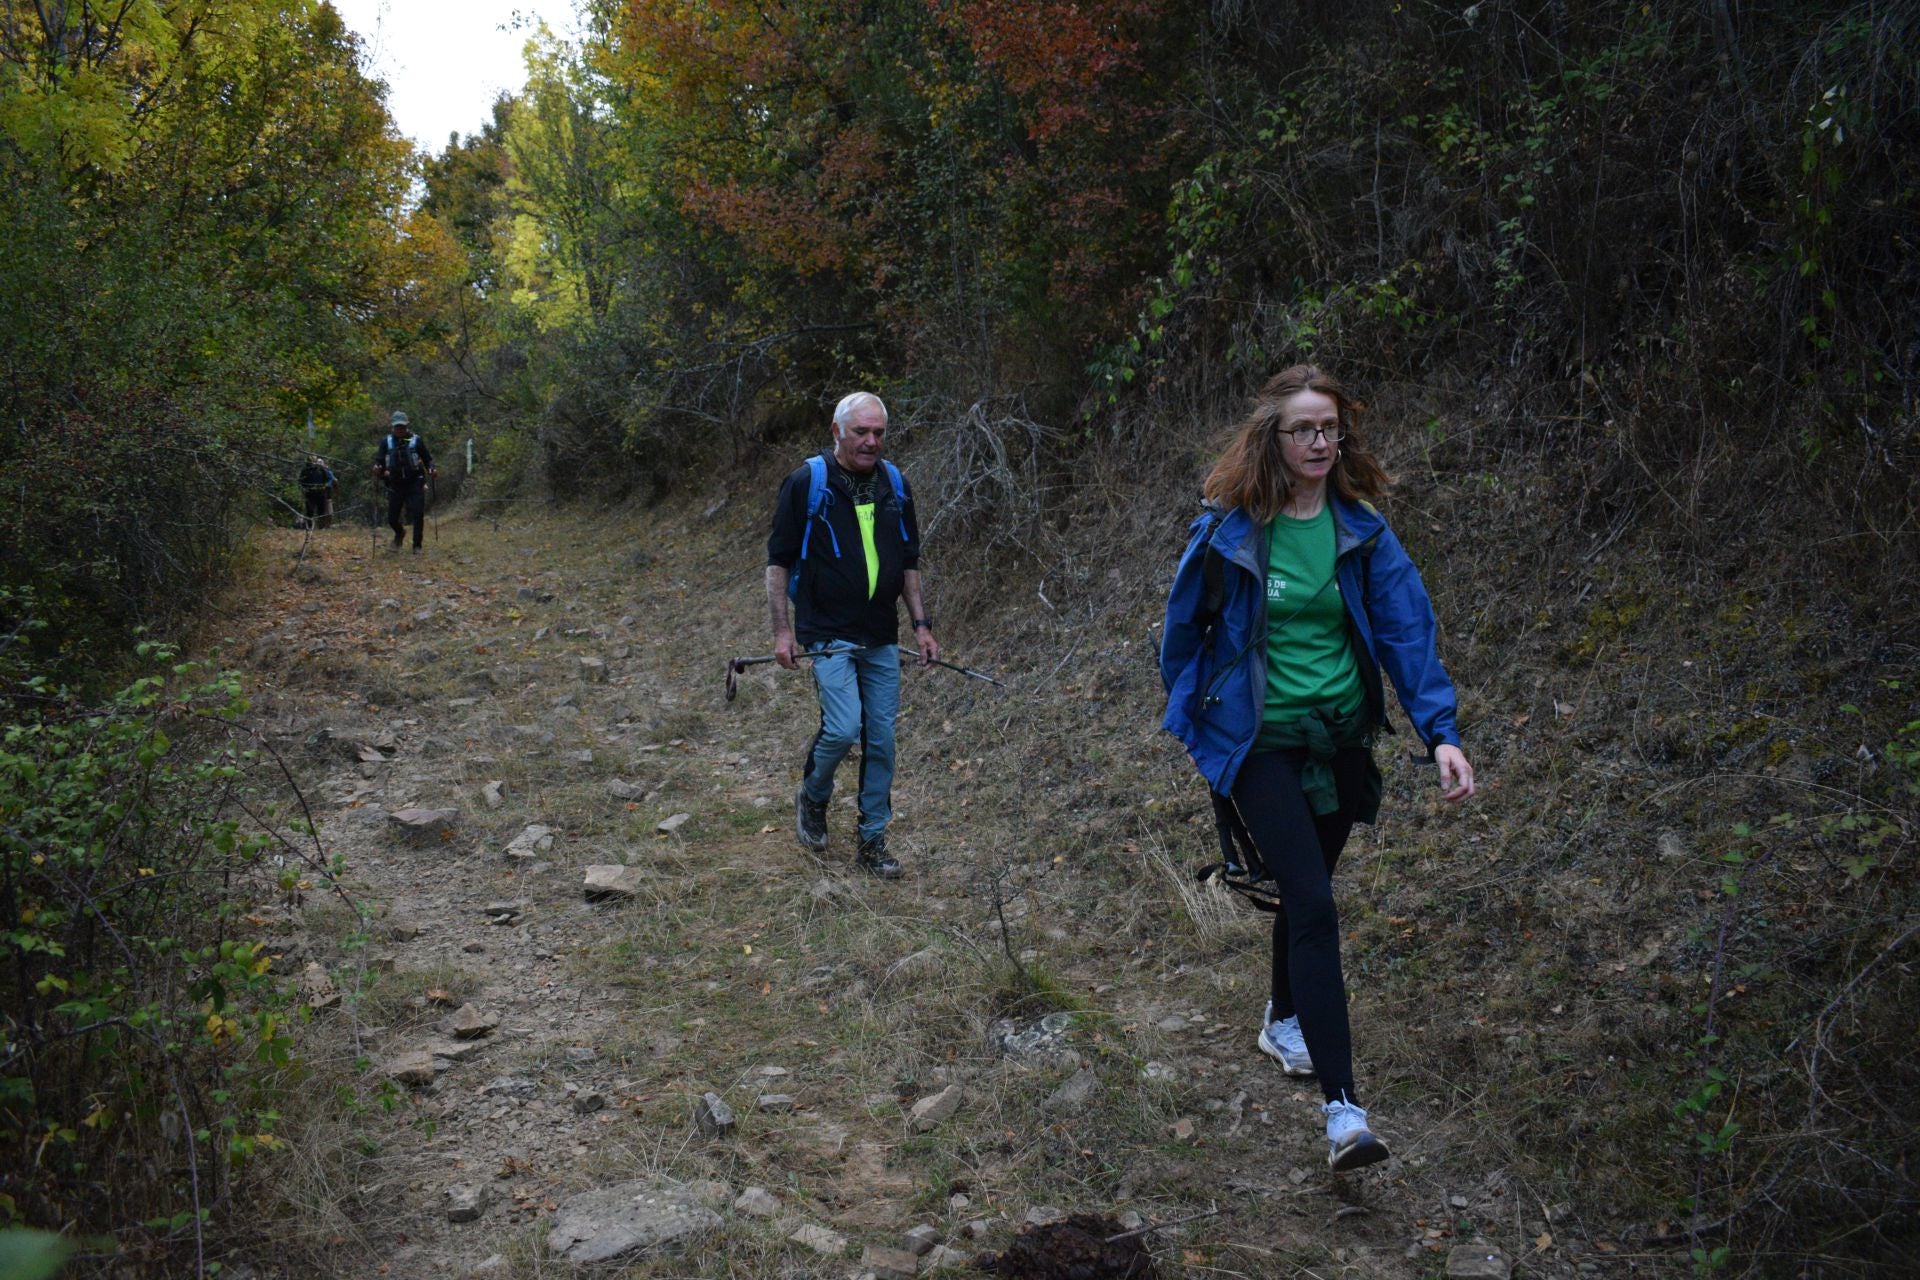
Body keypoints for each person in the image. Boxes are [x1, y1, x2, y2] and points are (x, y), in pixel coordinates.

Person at [1158, 365, 1475, 1172]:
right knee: (1313, 903)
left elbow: (1408, 631)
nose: (1320, 442)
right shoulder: (1233, 529)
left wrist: (1439, 733)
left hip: (1339, 740)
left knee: (1307, 898)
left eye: (1330, 428)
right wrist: (1198, 718)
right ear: (1274, 437)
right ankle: (1344, 1110)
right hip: (1261, 744)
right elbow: (1183, 630)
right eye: (1303, 429)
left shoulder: (1360, 530)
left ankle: (1281, 1017)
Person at [765, 392, 939, 878]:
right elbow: (779, 561)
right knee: (844, 728)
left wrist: (921, 626)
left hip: (880, 632)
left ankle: (872, 840)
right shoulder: (807, 483)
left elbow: (908, 562)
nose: (871, 441)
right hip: (825, 631)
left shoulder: (894, 484)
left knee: (881, 739)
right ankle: (814, 796)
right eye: (862, 431)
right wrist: (783, 632)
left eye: (879, 433)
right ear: (837, 430)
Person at [373, 411, 436, 552]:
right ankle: (400, 532)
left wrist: (432, 469)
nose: (400, 429)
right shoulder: (386, 442)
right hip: (395, 483)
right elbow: (380, 460)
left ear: (407, 425)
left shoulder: (416, 440)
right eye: (397, 426)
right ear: (392, 427)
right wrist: (377, 468)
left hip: (415, 481)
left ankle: (417, 546)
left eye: (402, 426)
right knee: (392, 518)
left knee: (418, 513)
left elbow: (428, 459)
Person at [298, 455, 337, 530]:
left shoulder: (321, 469)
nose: (312, 462)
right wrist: (303, 488)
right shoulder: (305, 470)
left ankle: (321, 527)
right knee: (310, 511)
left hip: (321, 493)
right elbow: (301, 481)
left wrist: (326, 485)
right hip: (309, 494)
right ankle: (309, 527)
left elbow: (329, 479)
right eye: (310, 460)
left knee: (321, 511)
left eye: (314, 460)